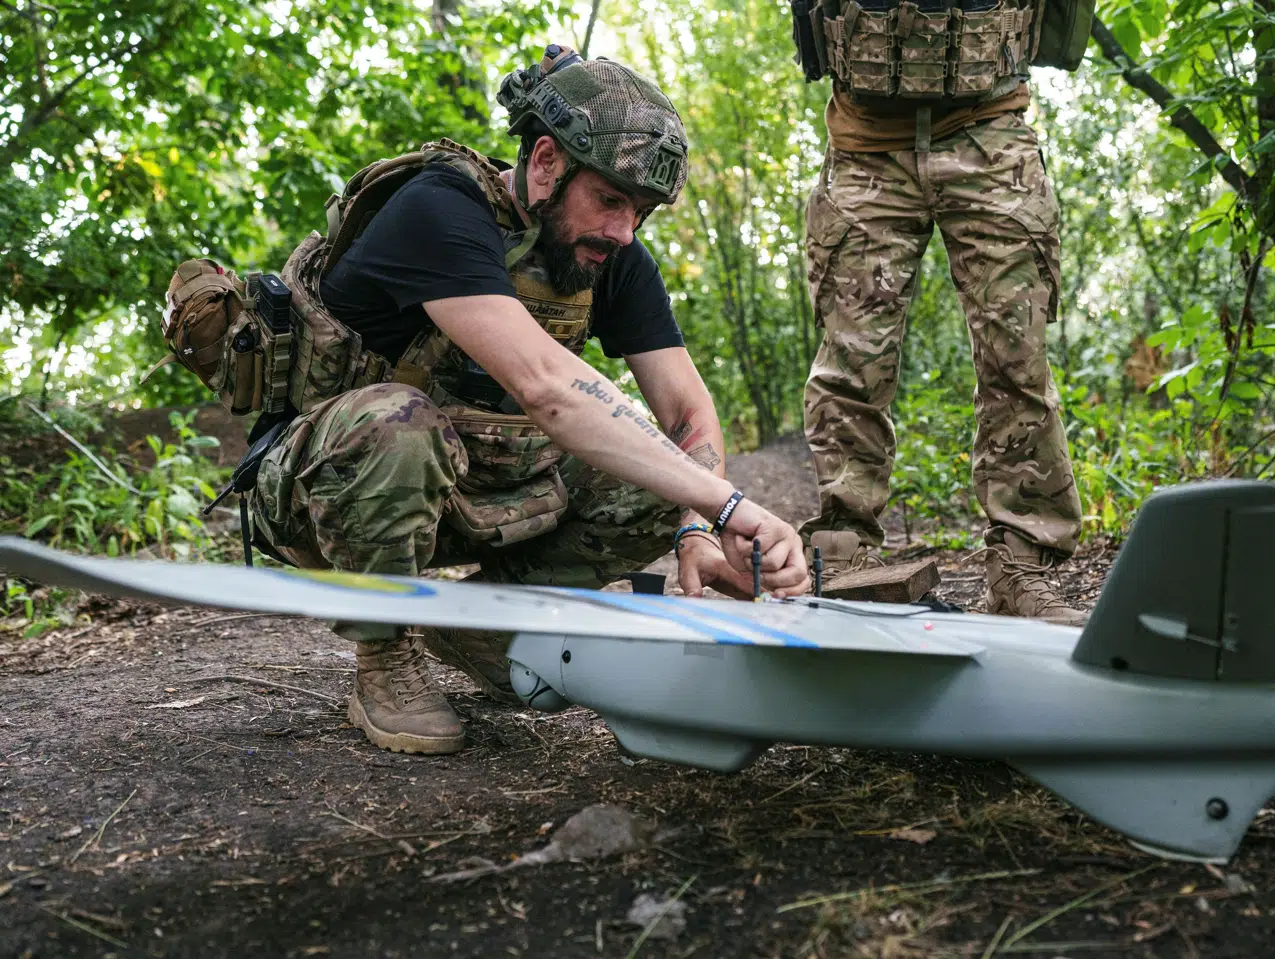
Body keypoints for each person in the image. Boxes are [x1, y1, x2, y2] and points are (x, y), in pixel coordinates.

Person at [247, 45, 810, 756]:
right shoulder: (439, 210)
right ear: (545, 163)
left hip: (481, 480)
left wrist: (697, 524)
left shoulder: (611, 257)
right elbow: (547, 387)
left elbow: (687, 415)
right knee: (398, 423)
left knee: (657, 475)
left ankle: (486, 623)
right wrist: (735, 507)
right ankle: (384, 655)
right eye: (610, 200)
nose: (624, 230)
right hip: (331, 488)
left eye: (640, 210)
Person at [790, 1, 1085, 625]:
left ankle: (1022, 568)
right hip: (865, 144)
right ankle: (842, 558)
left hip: (991, 135)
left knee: (1016, 359)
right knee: (852, 362)